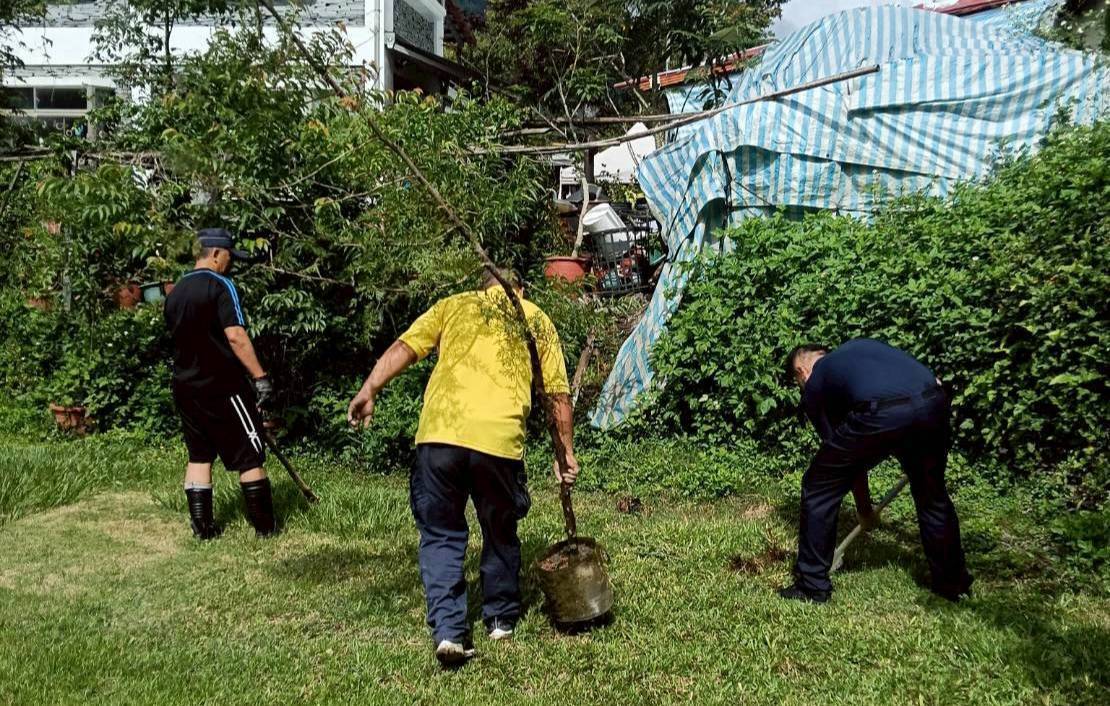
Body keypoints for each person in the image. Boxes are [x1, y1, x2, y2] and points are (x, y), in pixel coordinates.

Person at [347, 269, 577, 666]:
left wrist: (370, 388)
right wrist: (565, 454)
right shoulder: (534, 316)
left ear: (481, 288)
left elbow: (405, 347)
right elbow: (556, 393)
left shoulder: (454, 305)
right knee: (499, 528)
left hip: (440, 437)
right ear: (517, 289)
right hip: (498, 442)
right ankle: (501, 619)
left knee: (440, 534)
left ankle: (450, 633)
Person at [780, 338, 972, 604]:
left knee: (818, 484)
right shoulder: (862, 348)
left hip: (883, 412)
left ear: (801, 371)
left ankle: (811, 587)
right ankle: (953, 584)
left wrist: (864, 511)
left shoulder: (816, 382)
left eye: (797, 381)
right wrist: (865, 510)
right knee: (932, 495)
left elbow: (845, 464)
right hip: (933, 400)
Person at [164, 228, 276, 540]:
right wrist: (260, 377)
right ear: (215, 254)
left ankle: (203, 529)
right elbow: (235, 336)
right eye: (229, 257)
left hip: (185, 387)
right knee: (250, 453)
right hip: (223, 387)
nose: (231, 264)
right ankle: (265, 528)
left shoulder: (176, 292)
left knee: (199, 455)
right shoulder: (221, 285)